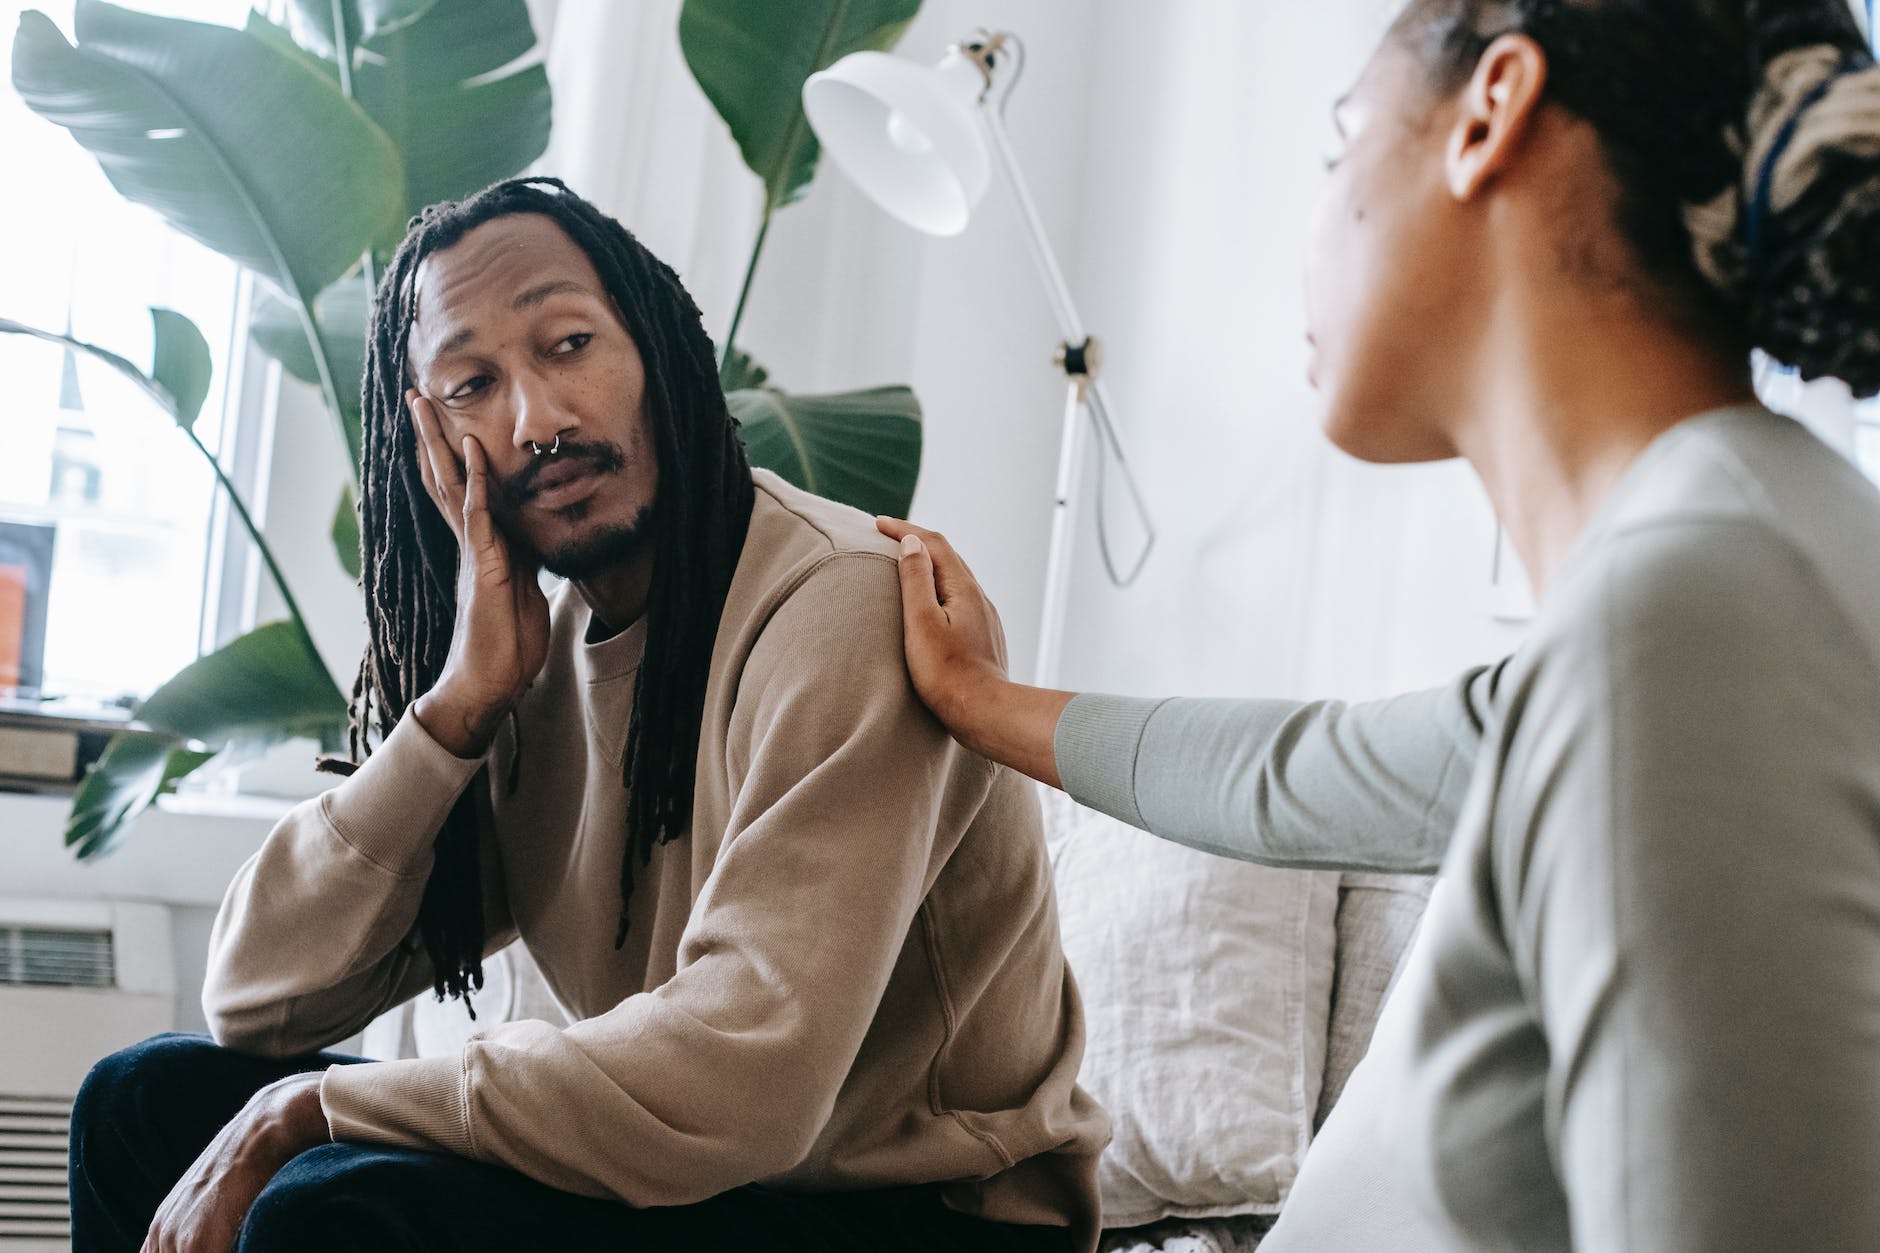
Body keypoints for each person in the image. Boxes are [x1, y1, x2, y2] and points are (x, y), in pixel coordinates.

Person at [878, 1, 1880, 1249]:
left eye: (1337, 142)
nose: (1312, 223)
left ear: (1490, 110)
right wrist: (975, 697)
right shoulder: (1712, 569)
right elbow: (1294, 774)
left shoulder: (1691, 613)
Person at [68, 177, 1107, 1253]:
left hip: (927, 1218)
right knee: (140, 1103)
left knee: (325, 1201)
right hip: (714, 1185)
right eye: (472, 382)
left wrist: (313, 1110)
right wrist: (454, 712)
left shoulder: (839, 604)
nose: (539, 420)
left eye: (568, 343)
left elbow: (748, 1076)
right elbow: (258, 994)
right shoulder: (529, 662)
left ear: (654, 346)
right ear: (428, 444)